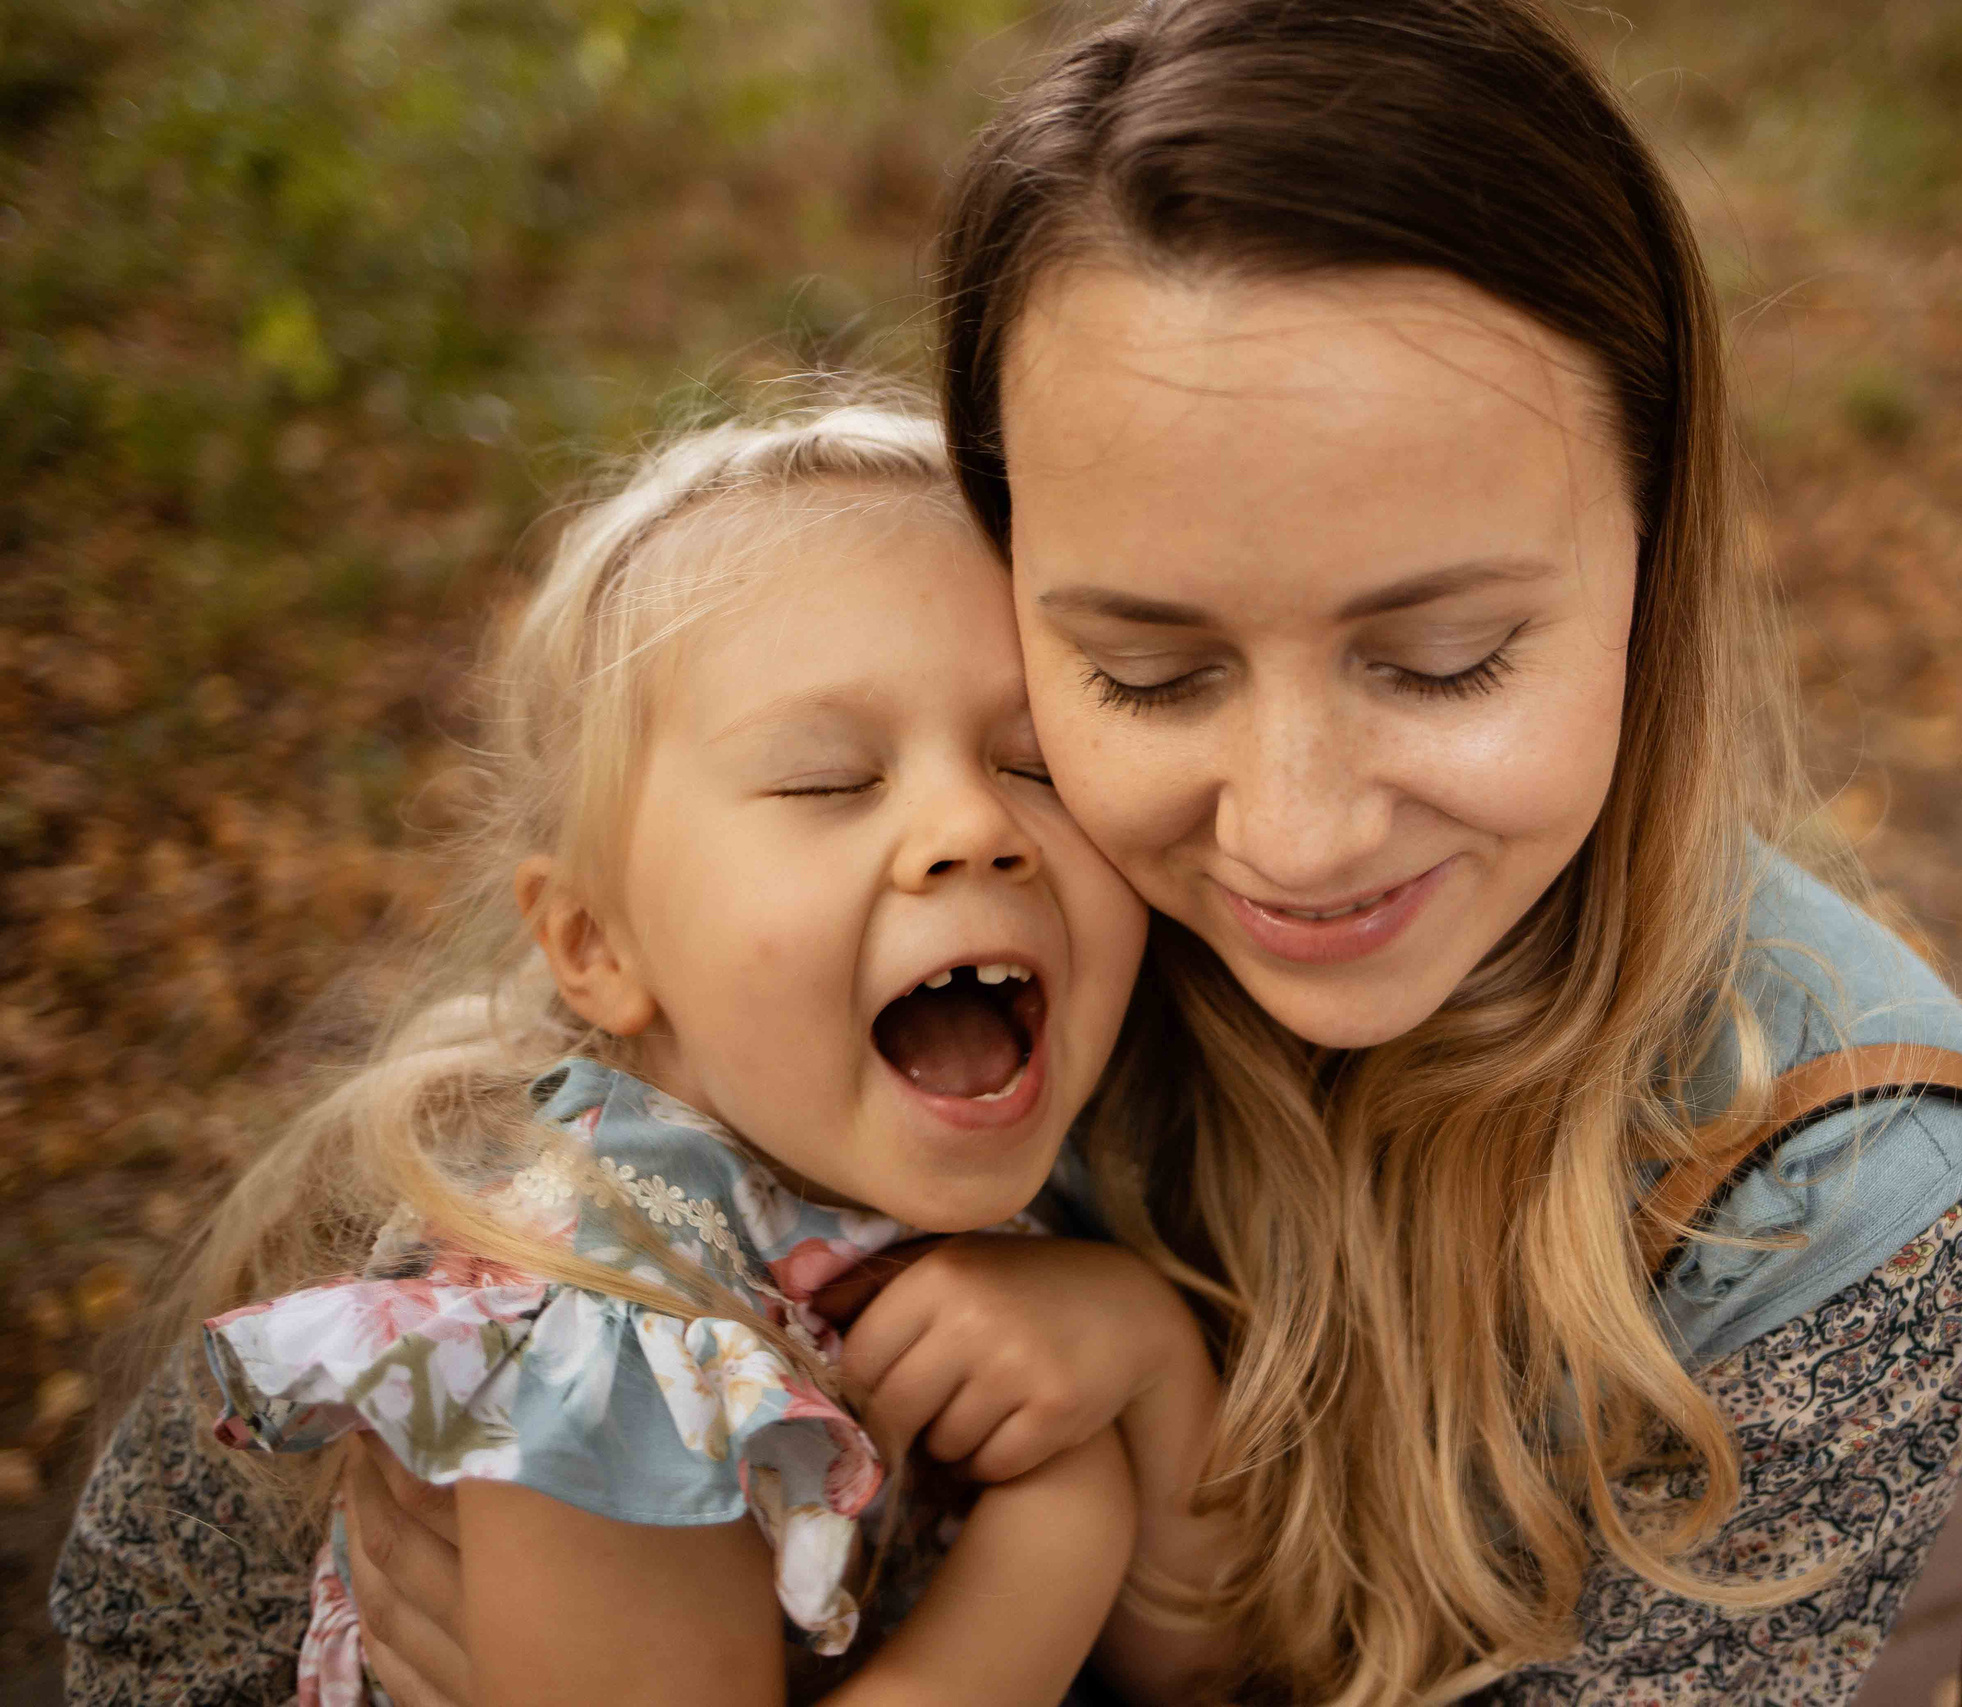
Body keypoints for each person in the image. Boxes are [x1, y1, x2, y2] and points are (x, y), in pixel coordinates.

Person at [56, 3, 1962, 1703]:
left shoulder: (1843, 1182)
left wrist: (1129, 1451)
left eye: (1442, 658)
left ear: (1656, 554)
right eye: (1141, 670)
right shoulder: (884, 934)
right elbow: (151, 1612)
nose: (1294, 830)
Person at [64, 400, 1196, 1707]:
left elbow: (1223, 1664)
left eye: (1036, 761)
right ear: (598, 944)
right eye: (829, 779)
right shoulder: (608, 1335)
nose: (971, 824)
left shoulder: (969, 1176)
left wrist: (1151, 1354)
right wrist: (1066, 1532)